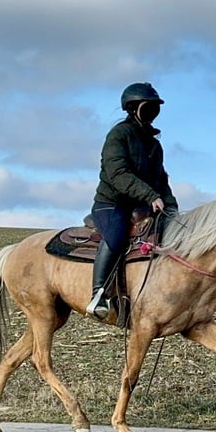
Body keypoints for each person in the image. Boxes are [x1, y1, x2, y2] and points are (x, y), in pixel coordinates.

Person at [85, 82, 179, 320]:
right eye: (148, 107)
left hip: (142, 206)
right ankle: (99, 294)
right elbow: (118, 174)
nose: (153, 113)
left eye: (155, 108)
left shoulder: (154, 145)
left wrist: (171, 207)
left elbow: (161, 179)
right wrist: (150, 196)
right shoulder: (119, 135)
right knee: (116, 237)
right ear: (133, 108)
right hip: (112, 204)